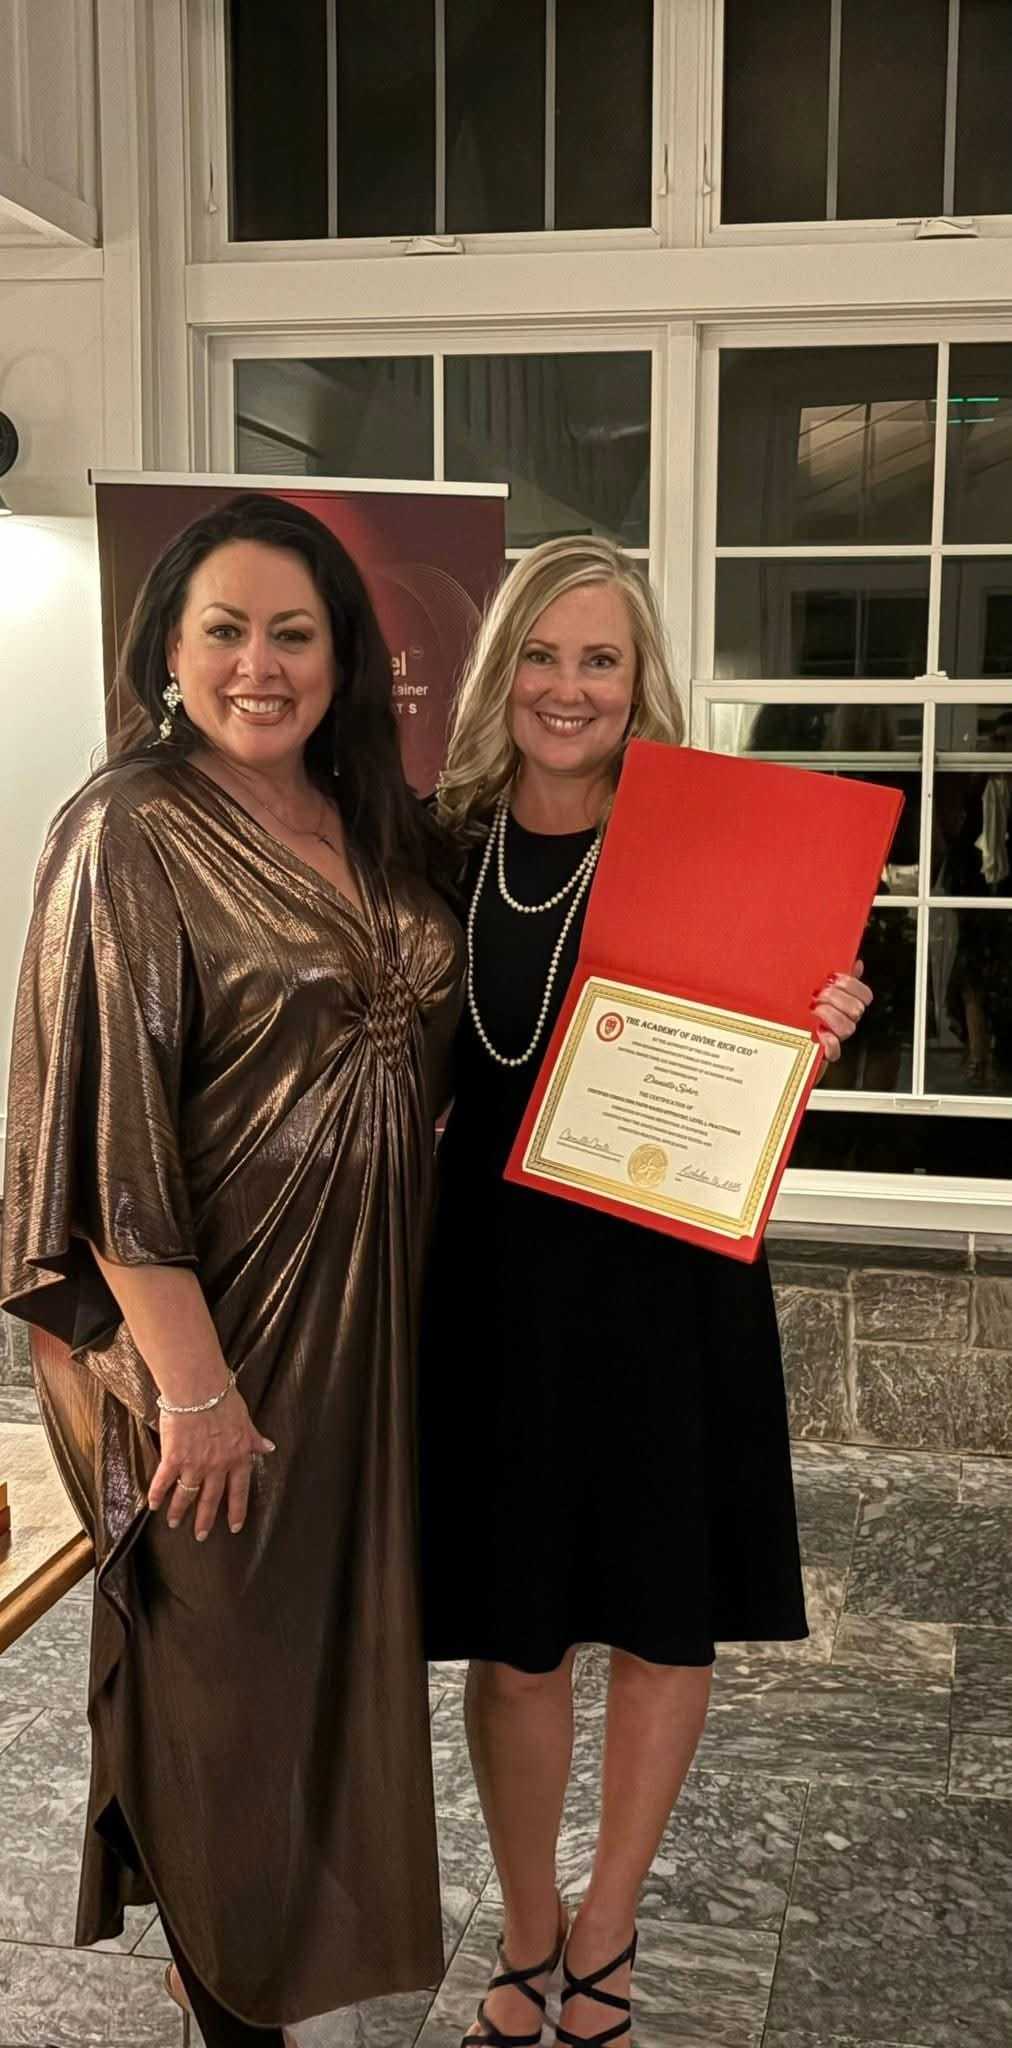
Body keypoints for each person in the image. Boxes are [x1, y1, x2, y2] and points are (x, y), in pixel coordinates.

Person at [1, 493, 463, 2046]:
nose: (258, 666)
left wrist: (771, 1009)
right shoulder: (125, 827)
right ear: (167, 648)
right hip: (213, 1352)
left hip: (369, 1339)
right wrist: (192, 1394)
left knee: (321, 1685)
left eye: (293, 633)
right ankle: (236, 2026)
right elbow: (106, 1139)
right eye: (224, 630)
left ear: (344, 657)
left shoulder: (377, 823)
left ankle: (287, 1970)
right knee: (219, 1701)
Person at [419, 536, 872, 2048]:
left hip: (670, 1283)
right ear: (501, 674)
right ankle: (528, 1914)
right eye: (540, 655)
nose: (567, 687)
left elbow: (753, 1089)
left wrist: (811, 1023)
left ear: (639, 679)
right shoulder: (432, 845)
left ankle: (608, 1920)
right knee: (517, 1629)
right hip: (488, 1293)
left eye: (598, 660)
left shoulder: (713, 842)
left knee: (664, 1619)